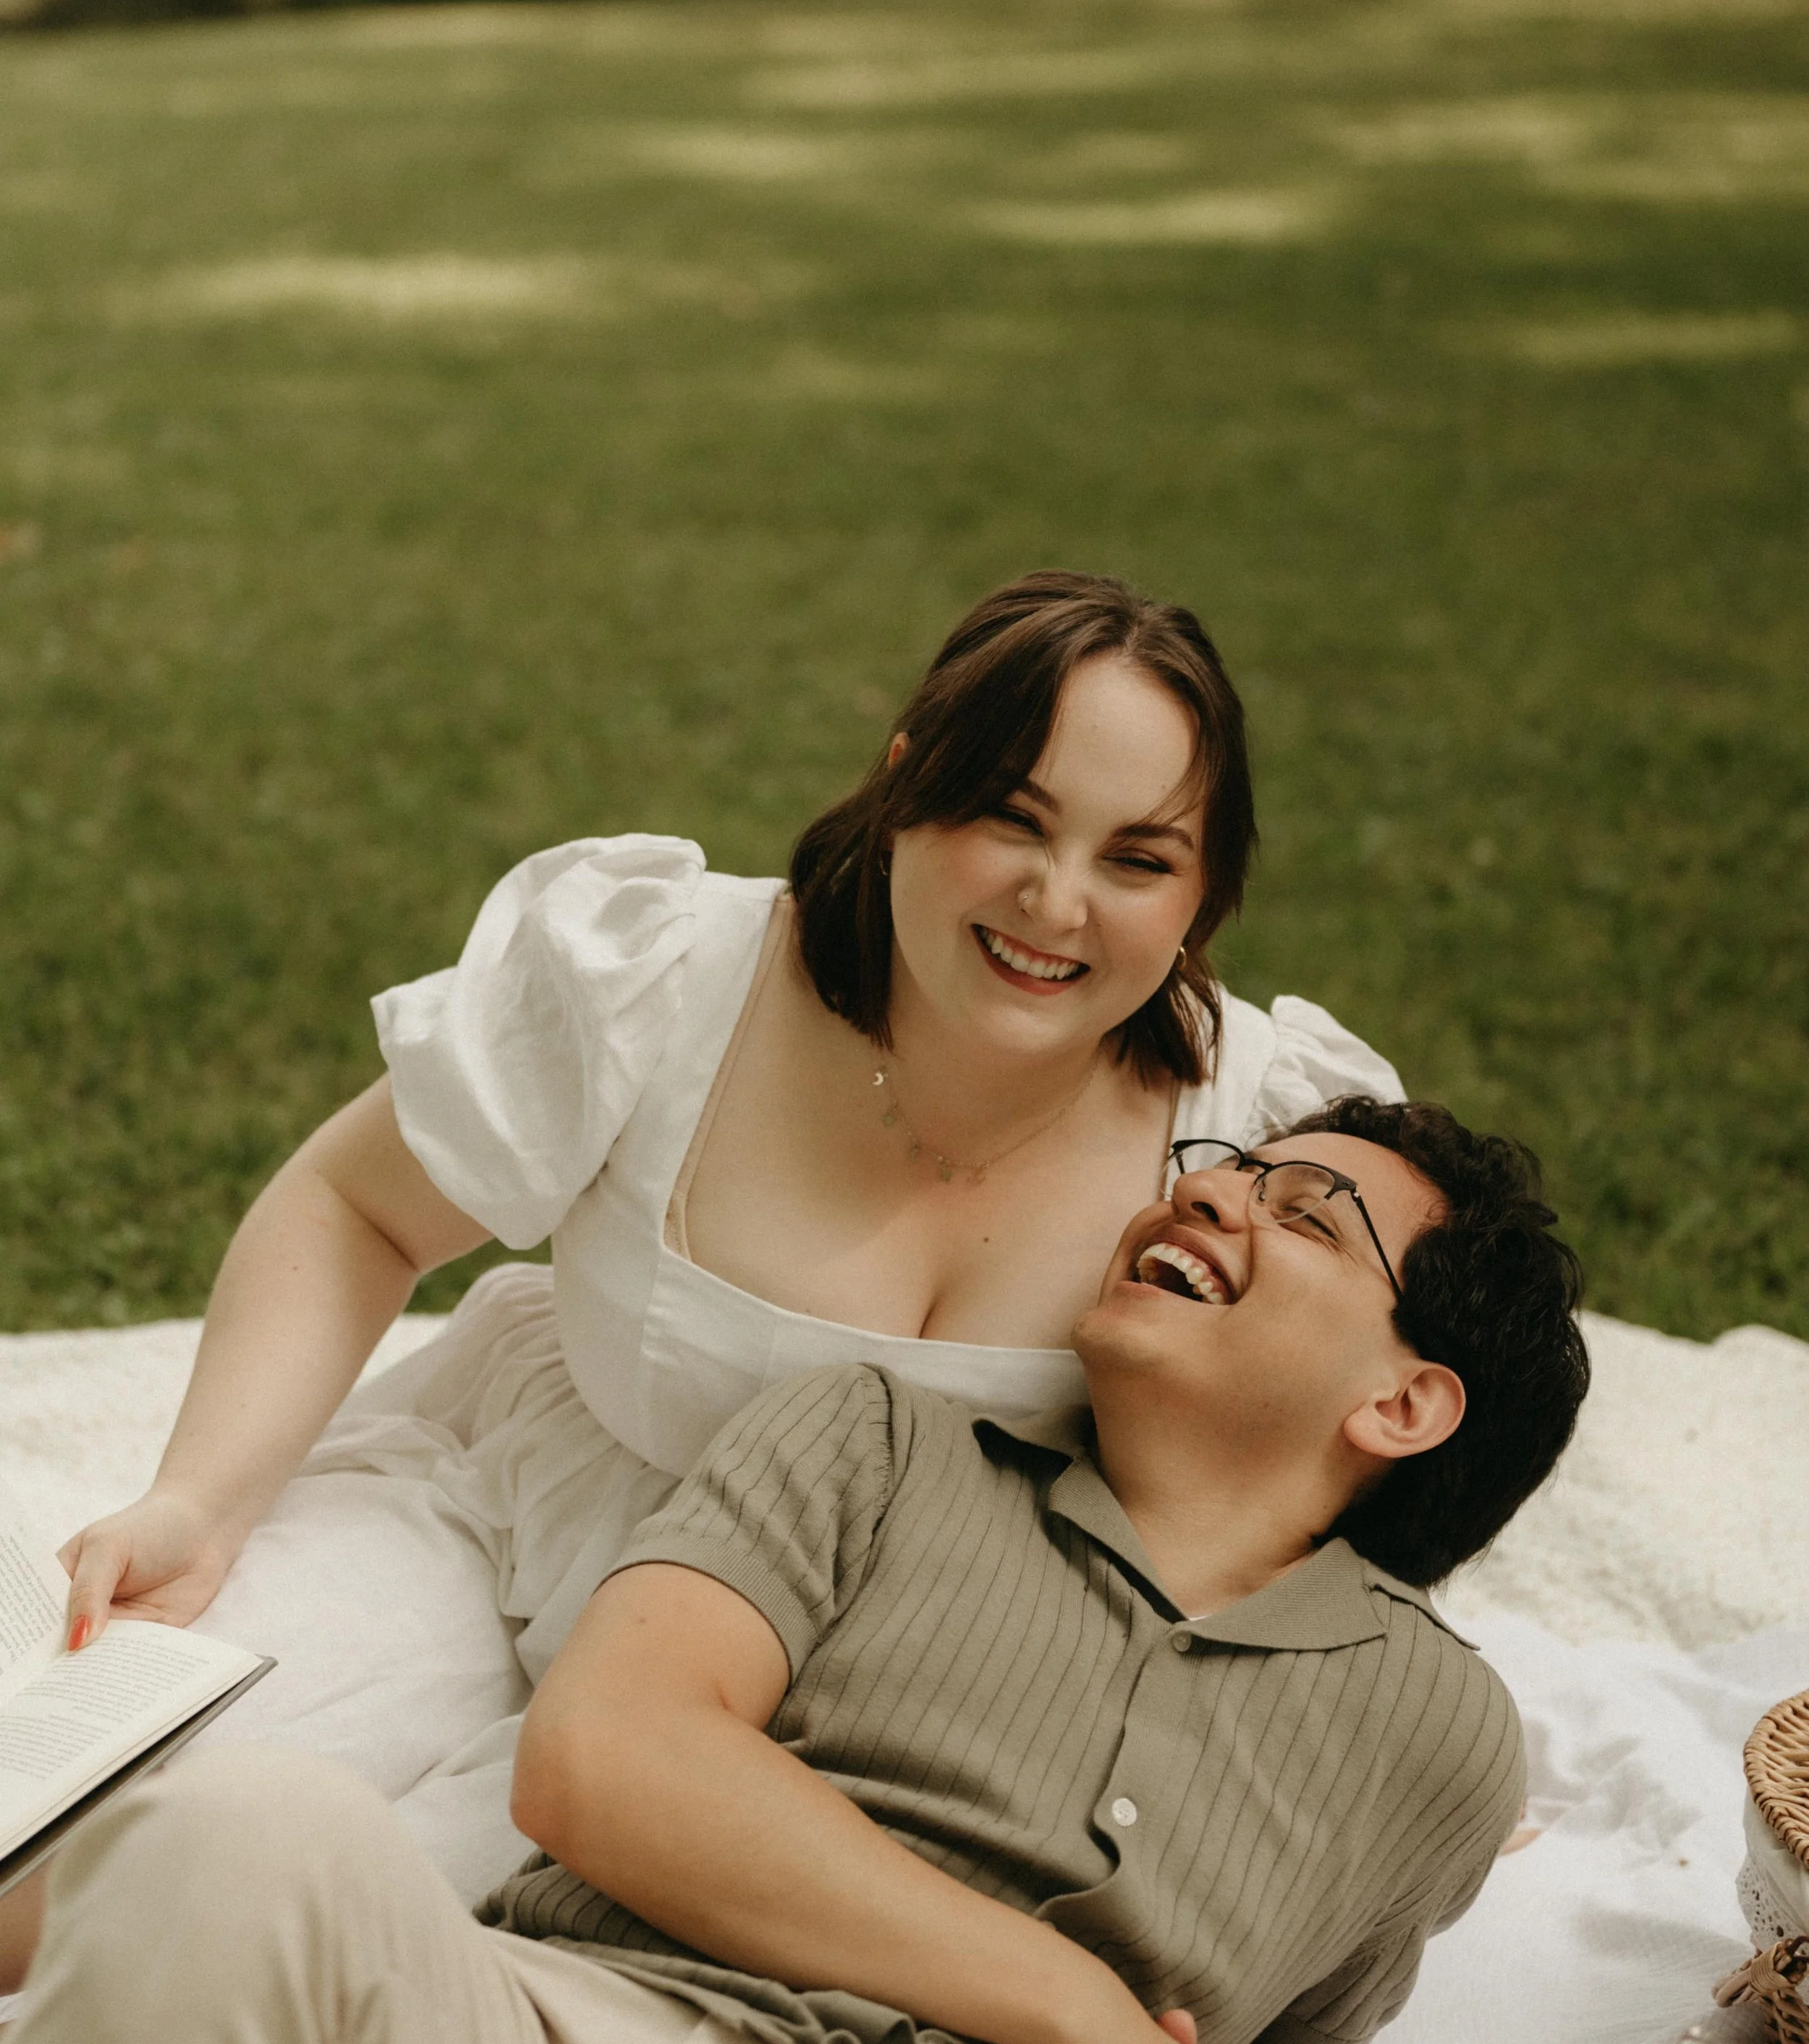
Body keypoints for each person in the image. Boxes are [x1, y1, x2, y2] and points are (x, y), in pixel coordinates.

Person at [0, 1098, 1590, 2044]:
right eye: (1218, 1166)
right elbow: (607, 1757)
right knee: (236, 1836)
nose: (1210, 1194)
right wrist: (1074, 2014)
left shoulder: (1437, 1740)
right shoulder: (877, 1441)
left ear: (1403, 1404)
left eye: (1303, 1214)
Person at [52, 571, 1399, 1682]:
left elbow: (1350, 1436)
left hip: (921, 1703)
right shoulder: (668, 976)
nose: (1056, 905)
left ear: (1206, 891)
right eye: (1011, 818)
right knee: (116, 1821)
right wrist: (201, 1500)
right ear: (903, 788)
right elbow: (362, 1206)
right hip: (524, 1543)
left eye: (1137, 858)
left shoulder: (1270, 1138)